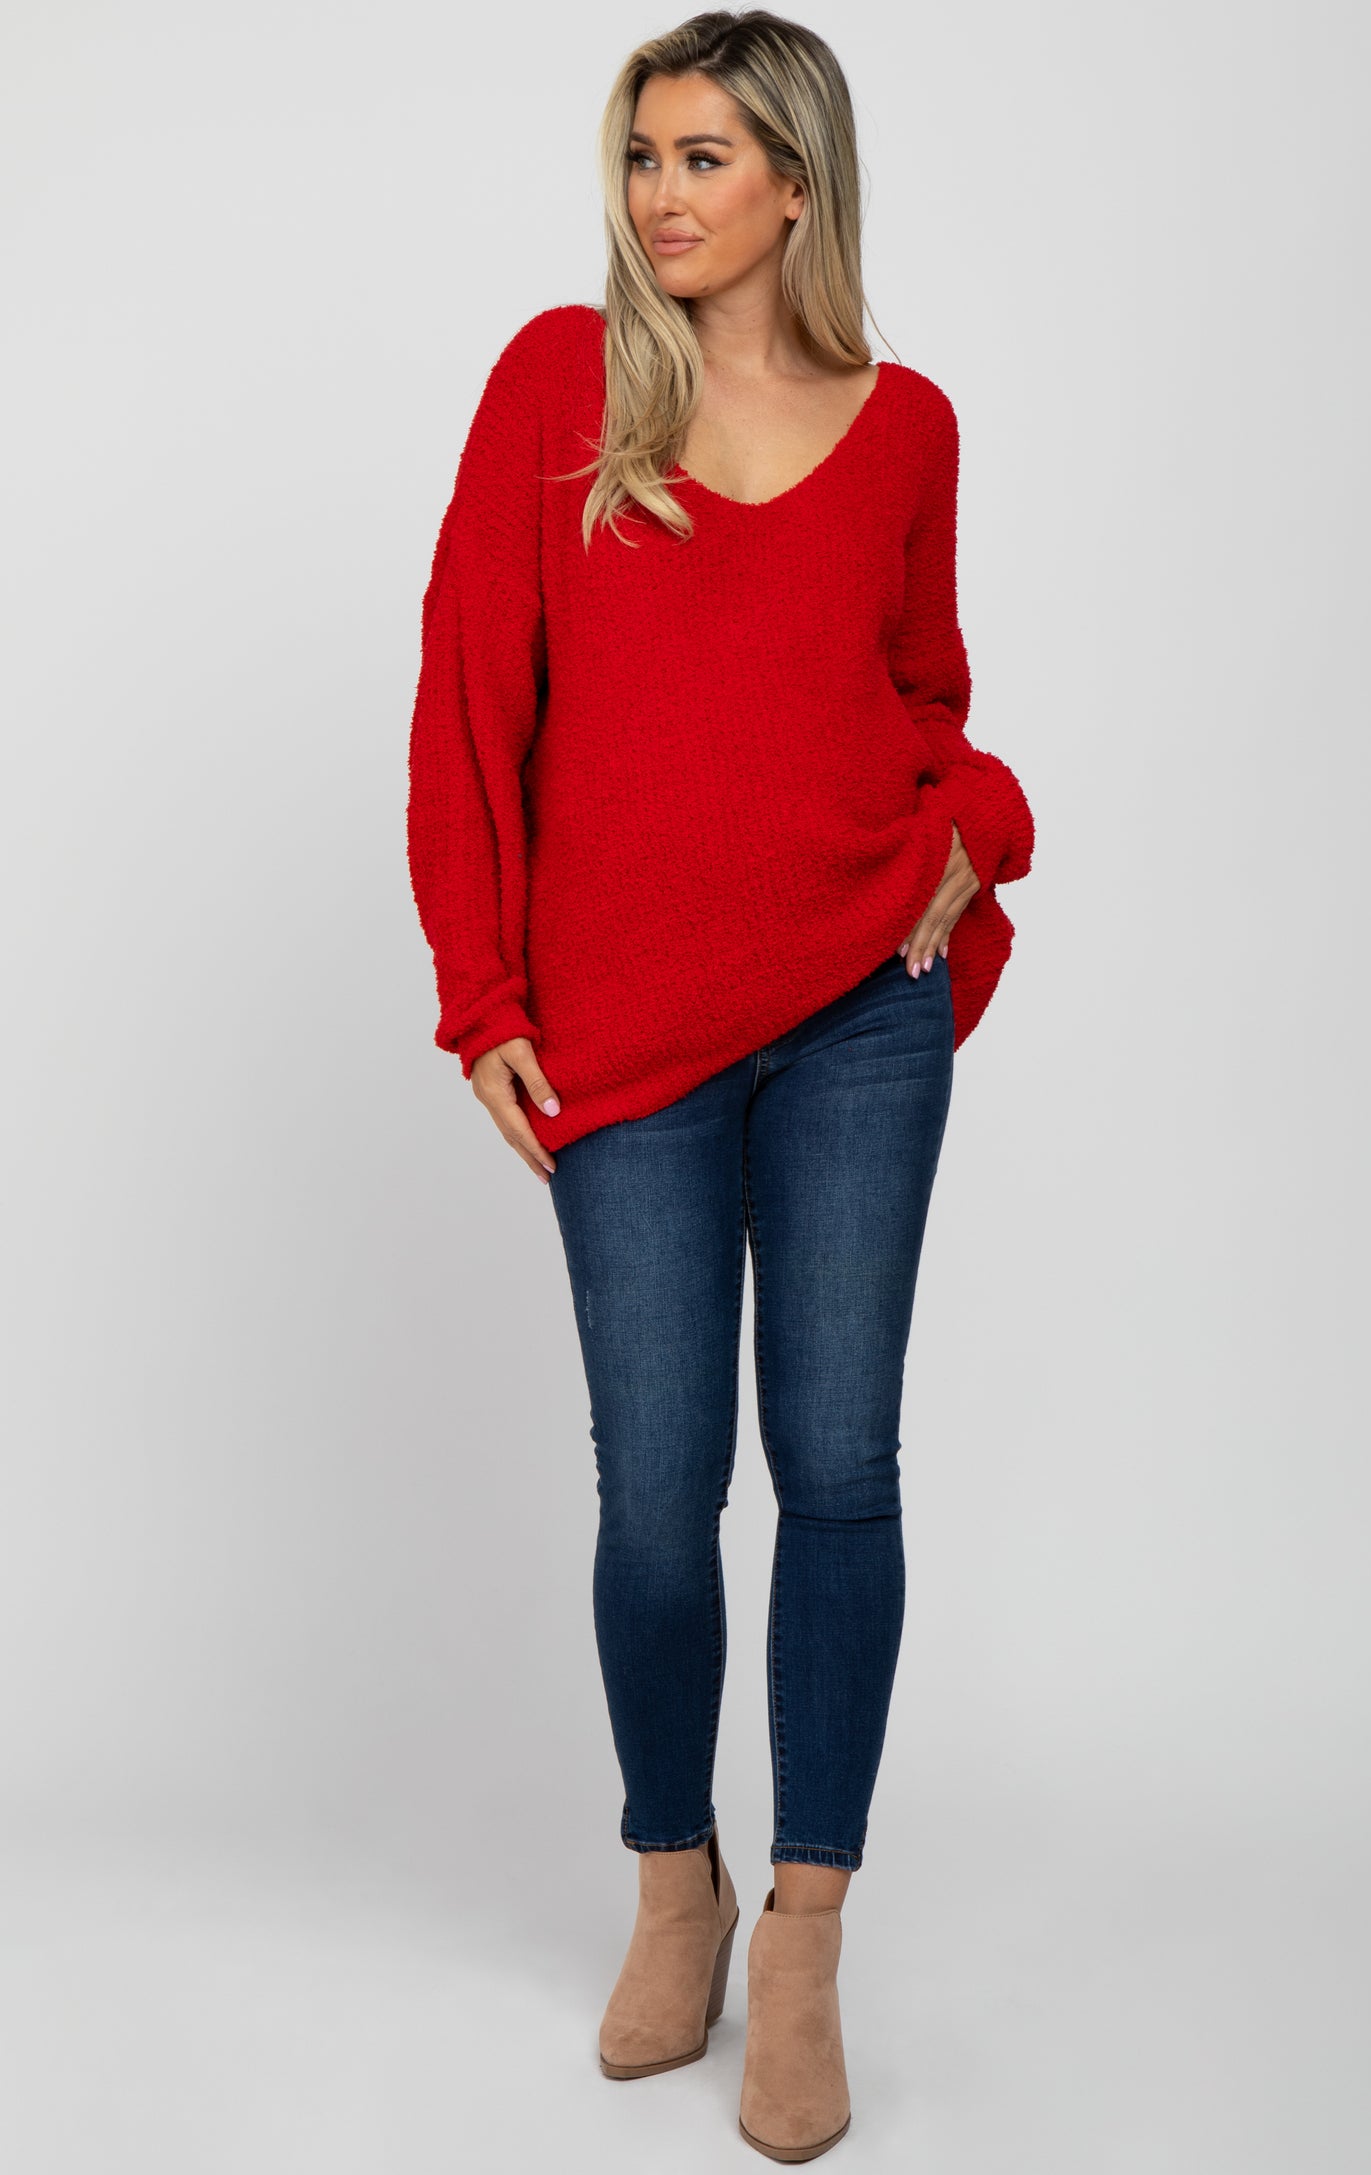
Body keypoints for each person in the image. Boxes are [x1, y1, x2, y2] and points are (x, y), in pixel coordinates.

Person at [405, 9, 1035, 2160]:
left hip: (858, 1004)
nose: (659, 195)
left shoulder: (907, 422)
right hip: (623, 1028)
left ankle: (807, 1934)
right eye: (641, 155)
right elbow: (466, 697)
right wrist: (479, 983)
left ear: (794, 183)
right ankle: (670, 1878)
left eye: (701, 157)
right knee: (656, 1490)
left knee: (836, 1463)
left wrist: (967, 836)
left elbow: (924, 697)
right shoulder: (557, 386)